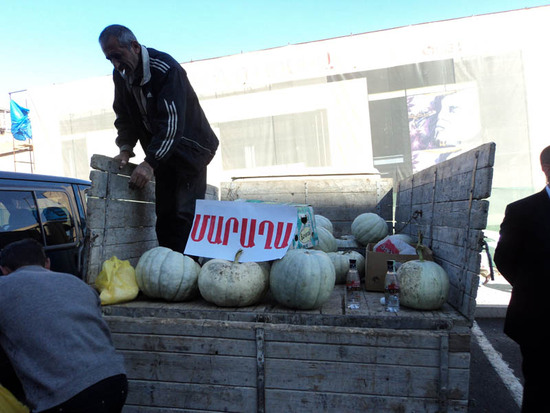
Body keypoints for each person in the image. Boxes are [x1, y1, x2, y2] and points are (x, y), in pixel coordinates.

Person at [98, 24, 219, 254]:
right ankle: (168, 268)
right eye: (109, 58)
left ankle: (188, 271)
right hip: (162, 150)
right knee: (164, 213)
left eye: (117, 56)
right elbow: (124, 114)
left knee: (184, 212)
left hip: (191, 149)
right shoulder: (121, 75)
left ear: (134, 47)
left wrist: (150, 163)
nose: (115, 64)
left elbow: (172, 124)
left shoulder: (165, 69)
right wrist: (125, 147)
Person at [0, 239, 128, 412]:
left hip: (65, 399)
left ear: (4, 270)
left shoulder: (4, 287)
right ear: (47, 263)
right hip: (115, 382)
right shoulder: (78, 284)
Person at [494, 145, 550, 412]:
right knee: (540, 387)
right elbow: (503, 259)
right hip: (538, 319)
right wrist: (534, 289)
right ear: (547, 169)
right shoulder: (522, 211)